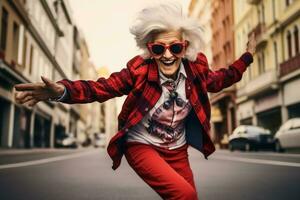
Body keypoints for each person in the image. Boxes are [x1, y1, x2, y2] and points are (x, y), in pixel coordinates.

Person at [15, 3, 256, 200]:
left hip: (177, 149)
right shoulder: (139, 70)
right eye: (159, 49)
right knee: (184, 195)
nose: (168, 55)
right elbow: (101, 88)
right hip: (143, 145)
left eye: (175, 47)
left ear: (186, 46)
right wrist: (61, 91)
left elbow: (223, 78)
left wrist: (247, 57)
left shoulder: (196, 70)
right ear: (149, 49)